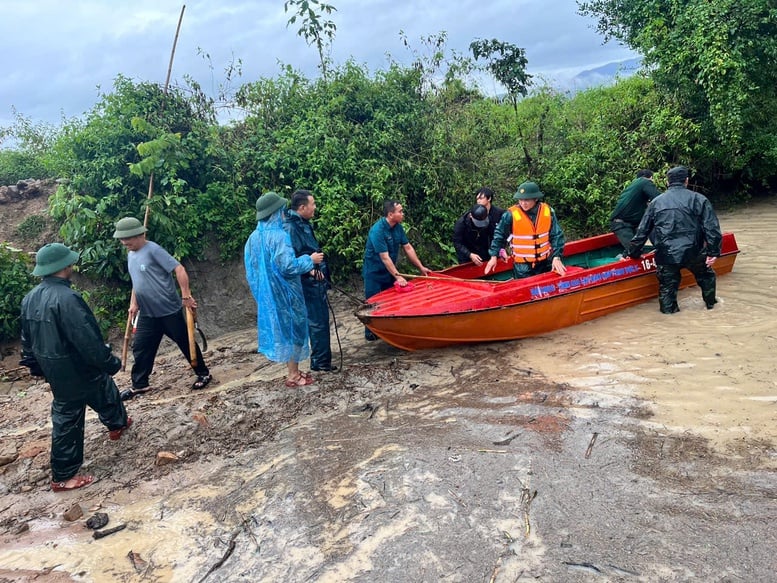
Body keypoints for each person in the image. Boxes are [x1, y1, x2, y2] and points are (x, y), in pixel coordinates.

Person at [20, 243, 132, 492]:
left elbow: (26, 340)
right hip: (75, 367)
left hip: (55, 368)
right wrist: (110, 362)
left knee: (102, 389)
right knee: (69, 417)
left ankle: (118, 424)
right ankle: (63, 476)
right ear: (65, 266)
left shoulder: (30, 298)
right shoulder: (68, 298)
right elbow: (87, 340)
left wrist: (36, 367)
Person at [113, 217, 211, 397]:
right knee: (142, 346)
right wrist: (133, 302)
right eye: (122, 239)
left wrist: (186, 296)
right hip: (147, 312)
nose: (124, 242)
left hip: (168, 309)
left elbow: (179, 269)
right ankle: (140, 384)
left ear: (141, 234)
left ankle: (203, 374)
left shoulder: (153, 250)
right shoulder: (130, 254)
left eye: (128, 238)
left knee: (184, 341)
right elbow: (137, 281)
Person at [245, 191, 325, 386]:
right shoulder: (279, 236)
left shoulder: (253, 238)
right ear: (274, 212)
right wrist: (310, 260)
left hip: (268, 293)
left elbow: (252, 268)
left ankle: (294, 371)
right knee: (295, 329)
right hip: (288, 292)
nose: (284, 214)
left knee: (285, 331)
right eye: (281, 210)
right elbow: (288, 266)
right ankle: (294, 375)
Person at [626, 166, 722, 314]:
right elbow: (712, 229)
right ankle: (711, 307)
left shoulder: (655, 203)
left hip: (666, 255)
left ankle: (668, 315)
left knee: (667, 290)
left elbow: (641, 232)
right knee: (707, 277)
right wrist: (713, 252)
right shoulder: (699, 199)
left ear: (667, 182)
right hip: (694, 251)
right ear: (687, 181)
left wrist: (632, 254)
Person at [362, 200, 432, 340]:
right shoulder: (378, 231)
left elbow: (408, 248)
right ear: (390, 214)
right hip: (374, 272)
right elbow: (385, 257)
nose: (402, 214)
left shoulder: (398, 227)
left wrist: (420, 267)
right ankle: (371, 333)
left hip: (389, 271)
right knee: (373, 303)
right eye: (400, 211)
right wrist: (398, 276)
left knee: (391, 302)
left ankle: (390, 331)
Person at [284, 189, 336, 372]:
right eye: (312, 204)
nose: (315, 207)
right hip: (308, 283)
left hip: (317, 279)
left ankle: (322, 360)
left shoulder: (303, 223)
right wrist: (311, 273)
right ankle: (320, 363)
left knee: (321, 320)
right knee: (317, 321)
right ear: (302, 207)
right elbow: (293, 259)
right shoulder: (291, 228)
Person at [485, 181, 567, 278]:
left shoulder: (547, 211)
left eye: (527, 200)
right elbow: (500, 235)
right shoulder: (510, 214)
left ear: (535, 199)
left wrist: (556, 257)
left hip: (545, 262)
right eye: (521, 200)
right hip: (522, 267)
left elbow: (557, 235)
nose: (523, 203)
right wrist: (494, 255)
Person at [610, 169, 659, 253]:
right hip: (623, 225)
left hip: (628, 223)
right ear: (650, 178)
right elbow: (659, 199)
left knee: (634, 249)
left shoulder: (633, 186)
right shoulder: (645, 182)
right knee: (634, 252)